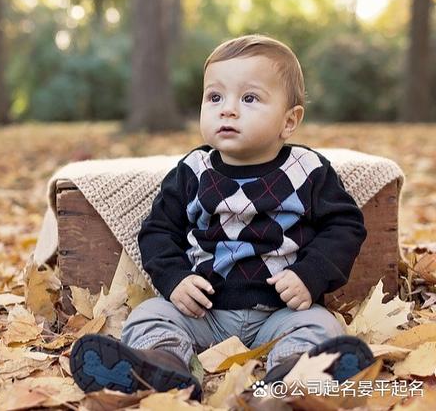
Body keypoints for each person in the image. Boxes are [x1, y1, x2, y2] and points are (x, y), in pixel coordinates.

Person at [70, 34, 374, 401]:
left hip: (282, 312)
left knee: (320, 325)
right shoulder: (193, 170)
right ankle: (164, 365)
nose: (227, 109)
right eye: (215, 97)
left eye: (249, 98)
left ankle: (291, 378)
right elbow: (157, 230)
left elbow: (345, 226)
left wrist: (310, 275)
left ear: (289, 121)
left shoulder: (307, 170)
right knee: (150, 314)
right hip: (204, 313)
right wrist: (175, 279)